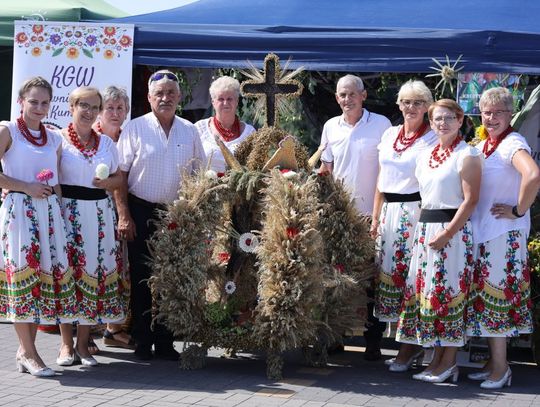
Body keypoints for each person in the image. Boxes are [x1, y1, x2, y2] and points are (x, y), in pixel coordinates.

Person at [115, 70, 206, 360]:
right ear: (149, 98)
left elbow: (199, 175)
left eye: (170, 93)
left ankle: (166, 342)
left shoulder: (190, 130)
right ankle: (142, 340)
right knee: (142, 278)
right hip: (140, 210)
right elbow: (120, 176)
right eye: (159, 94)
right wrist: (124, 214)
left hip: (174, 214)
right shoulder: (135, 128)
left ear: (179, 97)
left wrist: (193, 215)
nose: (165, 98)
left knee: (171, 279)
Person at [396, 99, 482, 383]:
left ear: (460, 121)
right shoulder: (426, 155)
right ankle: (435, 361)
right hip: (426, 229)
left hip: (452, 232)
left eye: (448, 118)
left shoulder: (466, 154)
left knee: (450, 295)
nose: (441, 124)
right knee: (429, 296)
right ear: (430, 123)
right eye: (436, 119)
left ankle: (448, 362)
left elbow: (470, 202)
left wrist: (447, 234)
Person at [0, 77, 77, 376]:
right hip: (19, 211)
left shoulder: (55, 138)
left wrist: (61, 215)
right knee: (23, 280)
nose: (39, 107)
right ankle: (31, 354)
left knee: (39, 284)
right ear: (21, 101)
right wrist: (26, 187)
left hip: (47, 216)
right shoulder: (7, 131)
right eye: (34, 101)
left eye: (45, 102)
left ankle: (24, 351)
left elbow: (55, 181)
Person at [467, 87, 540, 389]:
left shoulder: (512, 143)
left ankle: (501, 368)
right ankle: (492, 363)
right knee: (486, 300)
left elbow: (533, 175)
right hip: (486, 233)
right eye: (487, 112)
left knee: (496, 300)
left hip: (502, 235)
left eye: (498, 112)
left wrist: (519, 210)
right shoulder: (486, 144)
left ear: (511, 114)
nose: (492, 117)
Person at [319, 74, 391, 360]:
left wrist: (376, 216)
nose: (347, 99)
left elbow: (388, 170)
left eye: (352, 94)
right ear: (336, 98)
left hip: (372, 215)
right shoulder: (330, 127)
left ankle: (372, 341)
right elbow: (327, 169)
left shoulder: (382, 125)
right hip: (340, 216)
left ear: (363, 96)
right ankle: (335, 336)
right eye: (342, 95)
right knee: (337, 277)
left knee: (371, 279)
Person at [56, 87, 125, 367]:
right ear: (72, 106)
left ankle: (83, 345)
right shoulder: (57, 140)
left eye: (94, 107)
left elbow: (119, 178)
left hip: (98, 215)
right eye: (83, 105)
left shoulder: (107, 144)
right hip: (67, 213)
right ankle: (64, 346)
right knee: (66, 277)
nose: (89, 111)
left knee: (91, 278)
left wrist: (108, 183)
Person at [371, 80, 437, 371]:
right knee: (391, 279)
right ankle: (406, 345)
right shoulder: (389, 134)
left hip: (415, 211)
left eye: (418, 103)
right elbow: (381, 177)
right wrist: (375, 217)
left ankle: (411, 347)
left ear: (427, 108)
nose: (411, 108)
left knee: (414, 280)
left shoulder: (433, 138)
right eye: (407, 102)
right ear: (398, 104)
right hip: (389, 212)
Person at [93, 86, 135, 352]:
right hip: (92, 210)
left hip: (117, 213)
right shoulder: (89, 137)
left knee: (116, 268)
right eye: (110, 108)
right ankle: (84, 334)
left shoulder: (126, 138)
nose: (116, 113)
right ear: (100, 110)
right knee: (90, 267)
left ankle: (113, 328)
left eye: (121, 108)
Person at [195, 76, 255, 172]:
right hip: (205, 185)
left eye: (230, 99)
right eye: (221, 99)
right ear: (213, 102)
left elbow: (256, 165)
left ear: (236, 101)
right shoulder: (199, 128)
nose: (225, 103)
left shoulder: (249, 132)